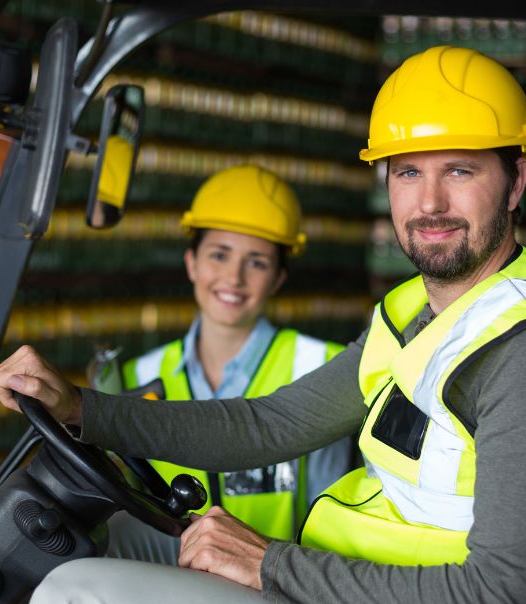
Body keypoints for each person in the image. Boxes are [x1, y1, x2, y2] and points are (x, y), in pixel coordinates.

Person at [0, 46, 526, 604]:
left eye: (460, 170)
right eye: (408, 172)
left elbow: (495, 602)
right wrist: (82, 409)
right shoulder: (416, 313)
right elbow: (268, 425)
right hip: (350, 587)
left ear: (515, 182)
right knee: (105, 539)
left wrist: (270, 564)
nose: (431, 202)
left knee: (73, 601)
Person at [90, 164, 351, 558]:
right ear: (191, 262)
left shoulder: (321, 368)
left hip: (275, 584)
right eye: (219, 255)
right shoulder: (138, 378)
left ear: (278, 279)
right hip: (165, 584)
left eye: (257, 262)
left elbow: (331, 520)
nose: (234, 277)